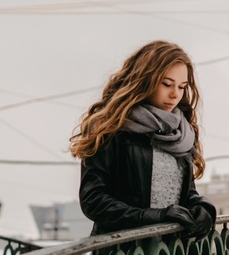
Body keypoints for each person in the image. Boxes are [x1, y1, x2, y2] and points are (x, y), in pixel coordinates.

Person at [70, 40, 216, 239]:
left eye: (181, 87)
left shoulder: (181, 133)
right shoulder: (110, 127)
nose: (175, 95)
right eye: (166, 84)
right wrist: (153, 217)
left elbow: (184, 193)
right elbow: (94, 200)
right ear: (144, 79)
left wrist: (202, 207)